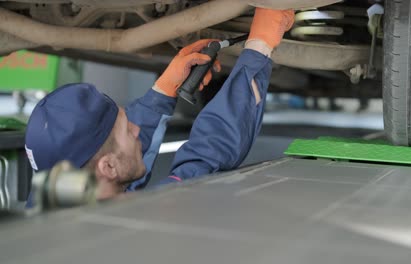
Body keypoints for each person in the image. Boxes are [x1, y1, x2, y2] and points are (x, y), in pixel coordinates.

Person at [24, 8, 295, 200]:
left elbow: (117, 149)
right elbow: (208, 156)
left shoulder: (55, 196)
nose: (136, 129)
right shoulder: (142, 223)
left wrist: (164, 89)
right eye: (127, 129)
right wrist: (259, 49)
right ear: (107, 168)